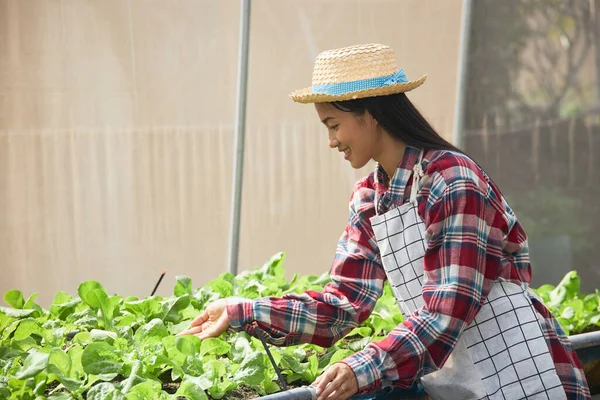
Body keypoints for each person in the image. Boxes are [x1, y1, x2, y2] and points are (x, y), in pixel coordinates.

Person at [178, 43, 591, 400]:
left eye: (334, 125)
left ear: (370, 114)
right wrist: (243, 311)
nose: (331, 141)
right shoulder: (370, 199)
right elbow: (343, 304)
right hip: (459, 380)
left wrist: (364, 367)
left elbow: (447, 312)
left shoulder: (451, 181)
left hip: (524, 371)